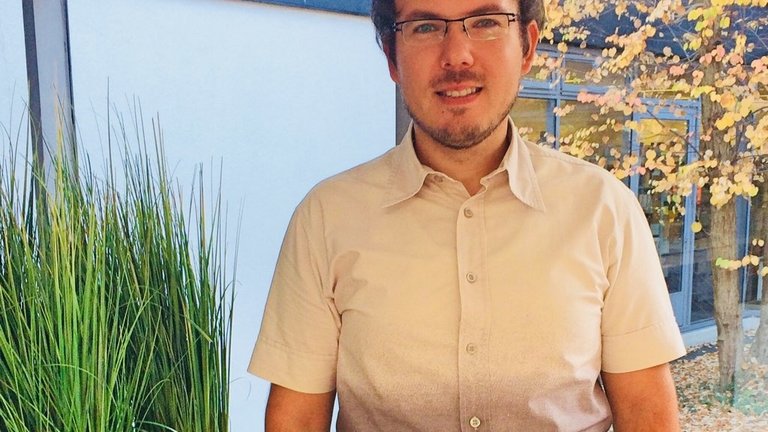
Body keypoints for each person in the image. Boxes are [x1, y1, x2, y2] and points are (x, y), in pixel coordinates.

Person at [249, 0, 687, 430]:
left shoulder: (603, 209)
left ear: (528, 46)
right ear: (392, 57)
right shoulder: (327, 218)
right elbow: (296, 419)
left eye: (486, 22)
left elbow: (646, 412)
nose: (457, 55)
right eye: (425, 27)